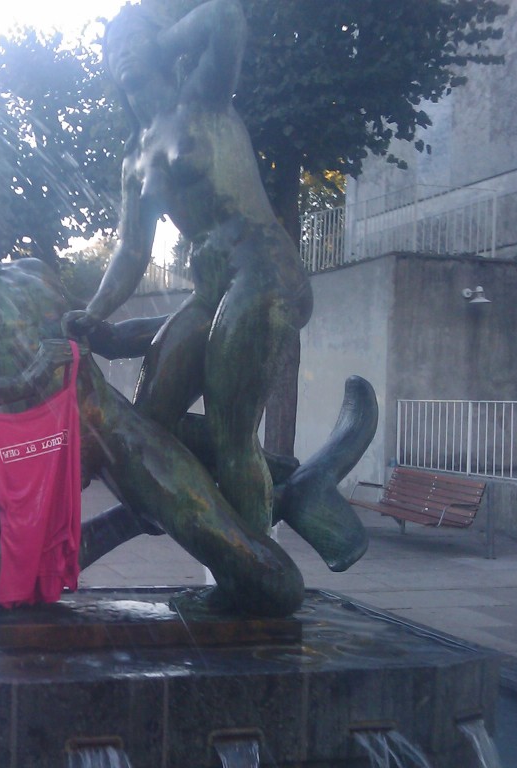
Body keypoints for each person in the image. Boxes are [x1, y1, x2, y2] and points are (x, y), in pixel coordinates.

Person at [0, 243, 305, 617]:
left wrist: (214, 318)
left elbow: (106, 338)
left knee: (273, 585)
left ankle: (284, 494)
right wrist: (19, 384)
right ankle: (131, 517)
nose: (3, 202)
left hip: (113, 429)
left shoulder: (33, 270)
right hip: (36, 448)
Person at [64, 0, 313, 546]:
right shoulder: (134, 157)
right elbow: (131, 251)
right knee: (150, 424)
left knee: (230, 434)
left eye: (133, 38)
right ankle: (280, 482)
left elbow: (226, 17)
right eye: (111, 46)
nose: (121, 52)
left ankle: (255, 573)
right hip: (211, 291)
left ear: (162, 41)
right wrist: (93, 311)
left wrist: (160, 41)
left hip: (264, 272)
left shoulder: (204, 97)